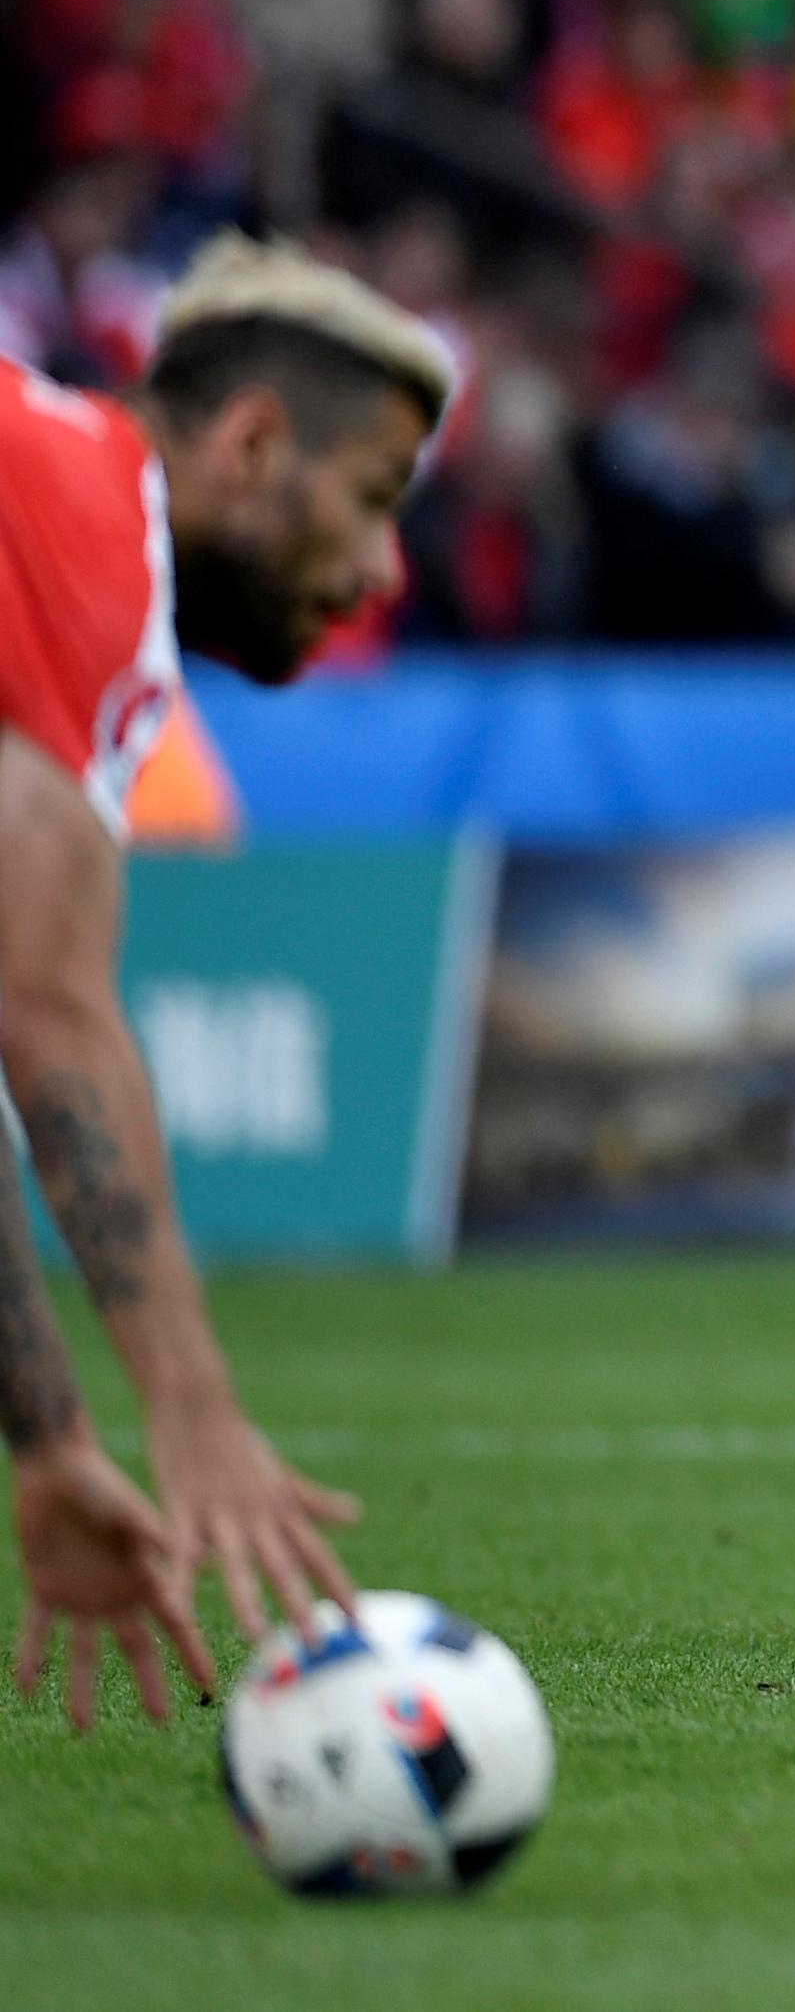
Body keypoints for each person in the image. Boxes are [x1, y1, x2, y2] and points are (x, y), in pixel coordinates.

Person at [3, 238, 453, 1717]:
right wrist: (189, 1412)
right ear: (254, 444)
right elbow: (45, 1004)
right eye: (375, 500)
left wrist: (55, 1435)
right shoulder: (77, 524)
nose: (383, 568)